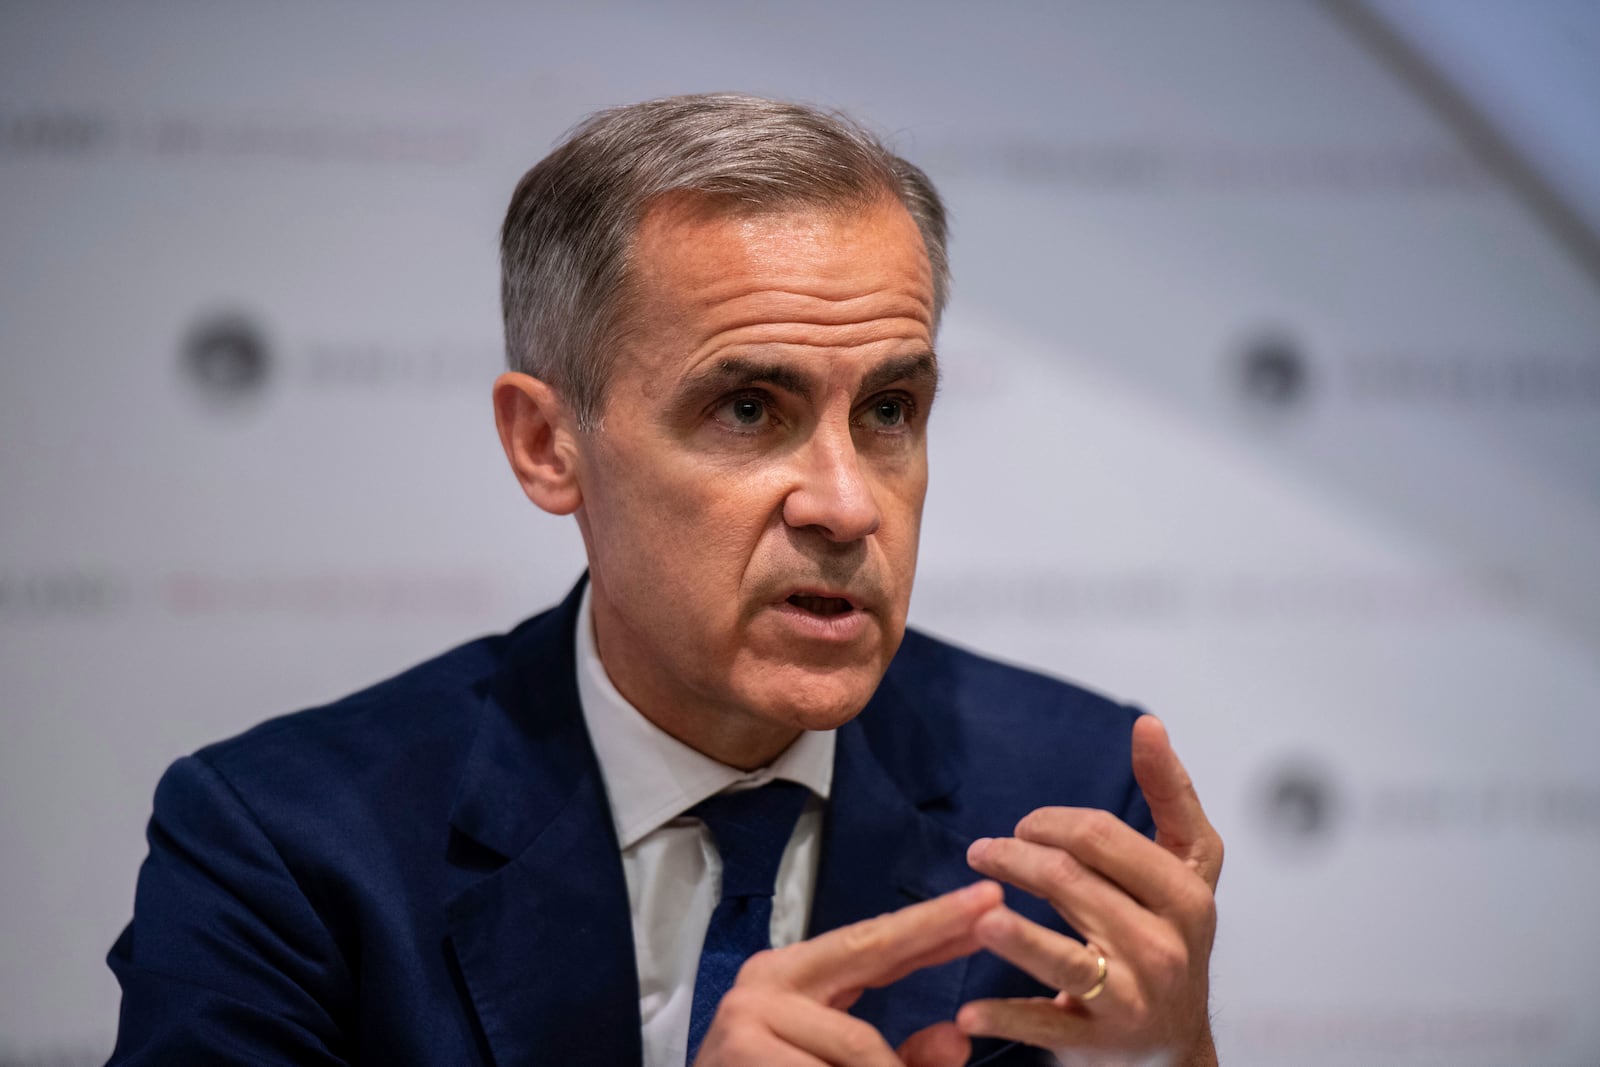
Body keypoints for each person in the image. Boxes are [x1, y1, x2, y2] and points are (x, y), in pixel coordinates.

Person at [106, 93, 1223, 1067]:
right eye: (747, 408)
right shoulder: (287, 845)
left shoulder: (1072, 800)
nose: (845, 502)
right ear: (548, 443)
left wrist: (1172, 1056)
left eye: (889, 410)